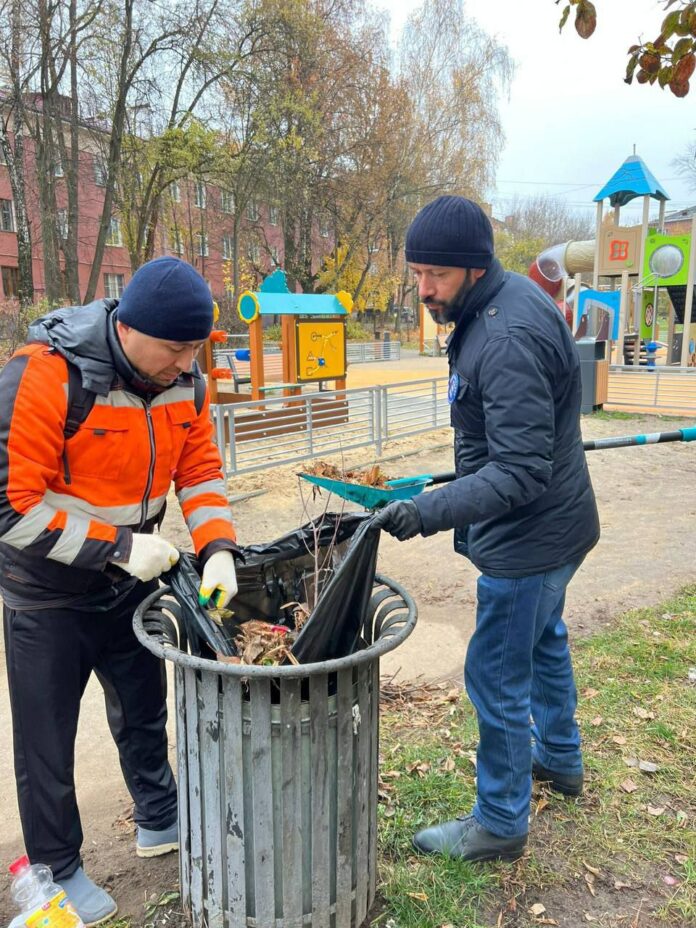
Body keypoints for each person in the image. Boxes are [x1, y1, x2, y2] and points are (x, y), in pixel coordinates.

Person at [0, 257, 240, 924]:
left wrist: (218, 544)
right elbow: (10, 507)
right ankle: (58, 869)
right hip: (47, 588)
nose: (187, 363)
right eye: (175, 348)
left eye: (197, 348)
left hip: (131, 577)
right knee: (46, 736)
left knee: (143, 707)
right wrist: (122, 547)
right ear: (128, 328)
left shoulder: (185, 378)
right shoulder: (46, 374)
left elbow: (198, 467)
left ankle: (159, 820)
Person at [373, 196, 600, 863]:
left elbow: (521, 473)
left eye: (434, 276)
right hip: (559, 528)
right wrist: (439, 485)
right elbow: (510, 444)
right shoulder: (504, 305)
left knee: (498, 674)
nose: (423, 290)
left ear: (473, 269)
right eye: (416, 274)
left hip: (530, 539)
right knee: (544, 641)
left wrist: (426, 511)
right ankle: (558, 757)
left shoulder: (501, 335)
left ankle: (500, 820)